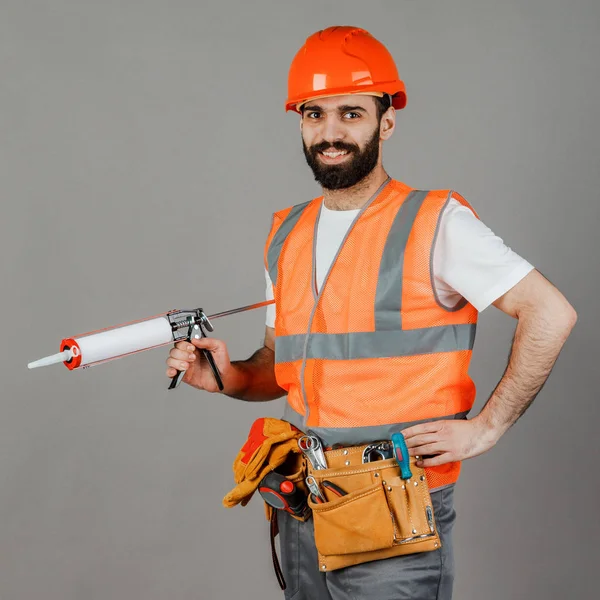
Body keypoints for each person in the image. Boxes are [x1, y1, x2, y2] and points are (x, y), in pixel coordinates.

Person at [165, 26, 577, 600]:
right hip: (305, 505)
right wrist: (229, 376)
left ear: (386, 121)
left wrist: (487, 428)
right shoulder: (286, 232)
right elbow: (279, 364)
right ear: (300, 121)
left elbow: (550, 313)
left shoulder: (436, 222)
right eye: (314, 114)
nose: (330, 133)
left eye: (350, 113)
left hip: (397, 510)